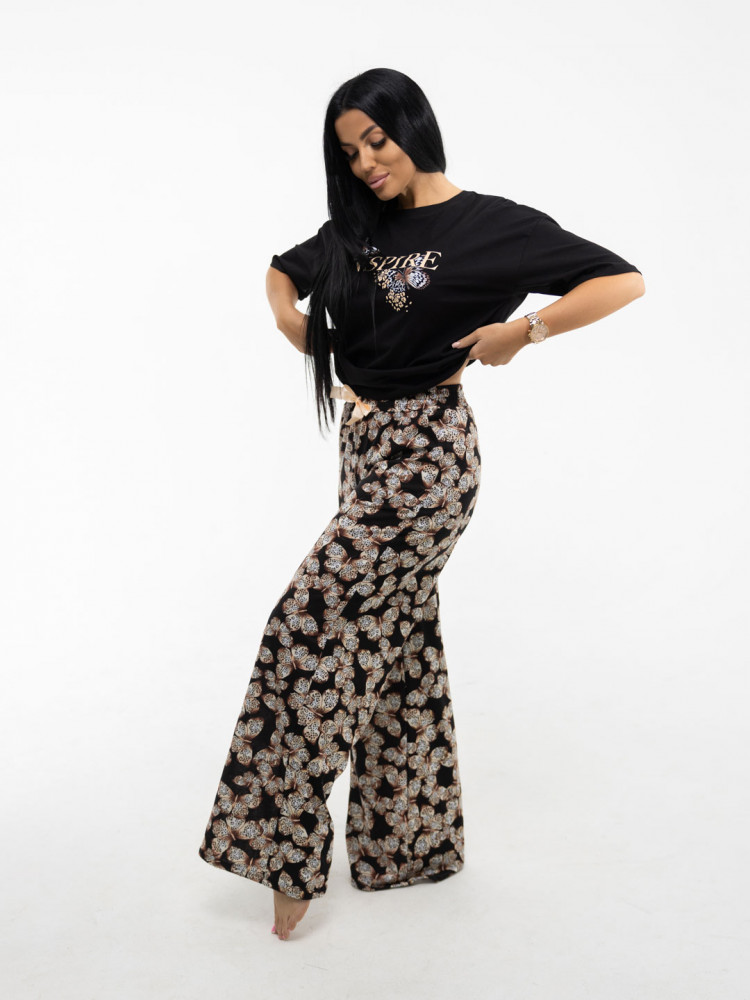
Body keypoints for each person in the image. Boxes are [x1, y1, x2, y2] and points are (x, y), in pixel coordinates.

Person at [198, 67, 645, 942]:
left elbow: (622, 279)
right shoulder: (356, 229)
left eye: (377, 140)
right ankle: (410, 847)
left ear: (415, 126)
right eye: (348, 151)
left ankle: (285, 855)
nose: (367, 162)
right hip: (364, 448)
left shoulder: (491, 226)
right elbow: (281, 272)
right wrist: (296, 327)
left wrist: (525, 331)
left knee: (306, 628)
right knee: (397, 648)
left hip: (428, 460)